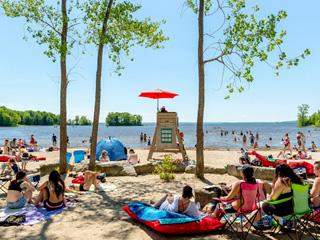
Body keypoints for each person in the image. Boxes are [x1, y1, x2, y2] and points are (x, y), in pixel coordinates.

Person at [243, 163, 304, 227]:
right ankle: (247, 224)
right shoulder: (298, 180)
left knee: (260, 206)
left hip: (285, 211)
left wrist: (269, 197)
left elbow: (273, 198)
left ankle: (246, 224)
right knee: (262, 206)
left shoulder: (282, 181)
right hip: (299, 209)